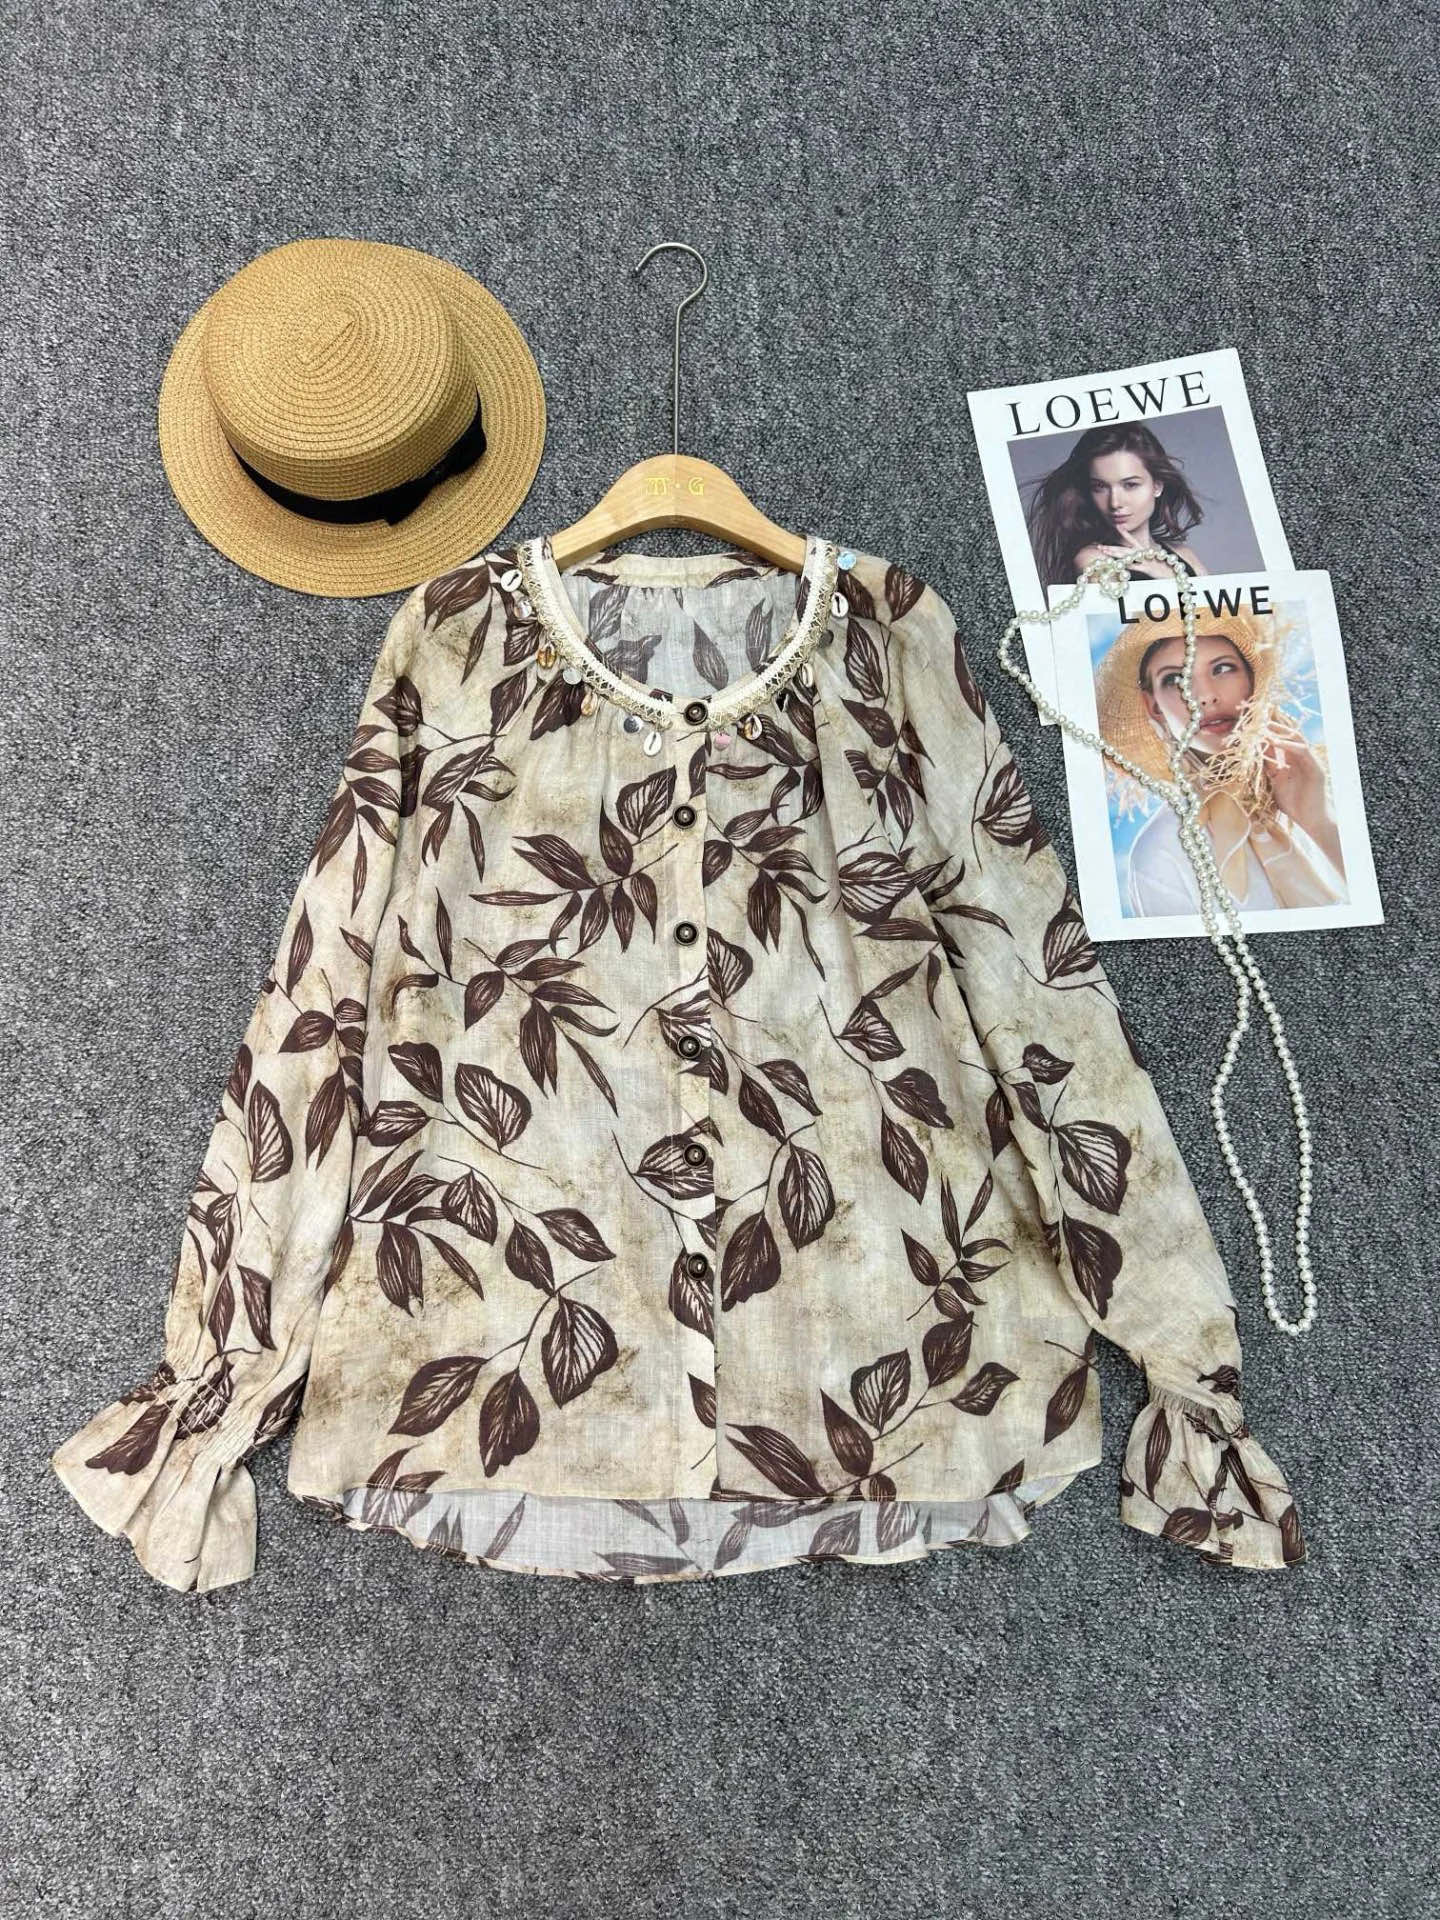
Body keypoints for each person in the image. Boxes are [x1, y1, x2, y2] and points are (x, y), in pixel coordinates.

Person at [1090, 603, 1348, 916]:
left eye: (1222, 669)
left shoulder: (1329, 793)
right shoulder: (1160, 852)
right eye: (1175, 679)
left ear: (1252, 678)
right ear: (1154, 706)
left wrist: (1318, 820)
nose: (1205, 696)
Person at [1026, 422, 1205, 587]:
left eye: (1130, 485)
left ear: (1157, 486)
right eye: (1100, 487)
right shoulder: (1093, 560)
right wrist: (1171, 579)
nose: (1114, 503)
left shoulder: (1184, 554)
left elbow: (1221, 611)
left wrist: (1166, 573)